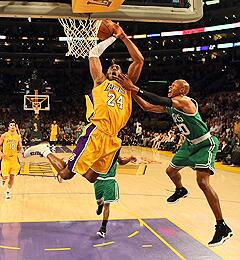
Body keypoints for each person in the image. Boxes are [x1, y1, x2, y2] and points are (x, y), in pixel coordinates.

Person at [113, 73, 233, 247]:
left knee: (202, 182)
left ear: (182, 90)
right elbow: (148, 107)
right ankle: (180, 190)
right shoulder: (173, 106)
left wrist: (134, 87)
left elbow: (159, 100)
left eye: (173, 85)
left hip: (205, 144)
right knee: (170, 171)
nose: (169, 87)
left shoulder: (186, 101)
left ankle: (222, 226)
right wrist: (131, 93)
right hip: (189, 145)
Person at [24, 23, 144, 184]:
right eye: (110, 68)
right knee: (67, 175)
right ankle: (44, 150)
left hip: (113, 138)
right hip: (96, 132)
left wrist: (124, 37)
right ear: (106, 73)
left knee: (91, 177)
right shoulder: (100, 81)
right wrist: (114, 37)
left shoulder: (128, 85)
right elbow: (93, 53)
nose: (114, 68)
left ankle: (69, 165)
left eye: (117, 67)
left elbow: (139, 60)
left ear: (123, 73)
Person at [94, 154, 137, 238]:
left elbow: (121, 161)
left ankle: (103, 228)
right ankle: (100, 204)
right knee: (99, 201)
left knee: (107, 204)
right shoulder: (99, 150)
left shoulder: (115, 150)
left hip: (109, 180)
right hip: (98, 180)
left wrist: (129, 158)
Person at [0, 120, 24, 199]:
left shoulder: (17, 136)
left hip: (14, 159)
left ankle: (8, 192)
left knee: (12, 176)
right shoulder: (4, 135)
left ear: (15, 127)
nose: (13, 126)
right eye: (11, 125)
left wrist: (22, 149)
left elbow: (20, 147)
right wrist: (0, 153)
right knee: (5, 177)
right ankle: (3, 179)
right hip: (6, 159)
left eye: (14, 125)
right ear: (8, 127)